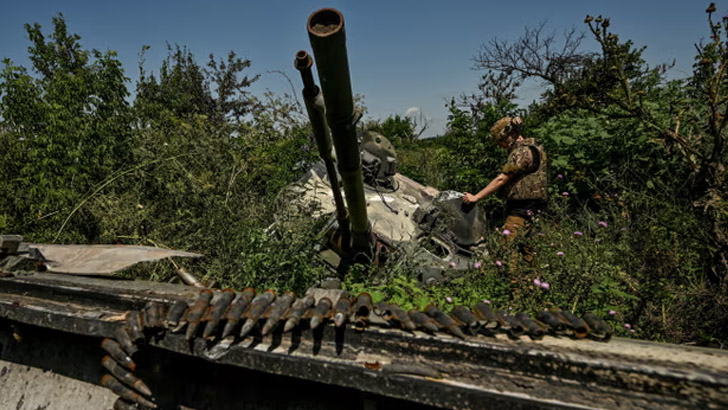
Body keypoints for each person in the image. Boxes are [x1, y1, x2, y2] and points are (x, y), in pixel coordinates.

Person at [462, 116, 547, 269]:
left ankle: (514, 289)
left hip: (522, 208)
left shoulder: (522, 152)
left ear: (508, 136)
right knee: (527, 250)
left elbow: (502, 179)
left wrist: (476, 197)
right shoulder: (534, 147)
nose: (500, 146)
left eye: (500, 142)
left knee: (506, 249)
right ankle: (532, 286)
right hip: (534, 207)